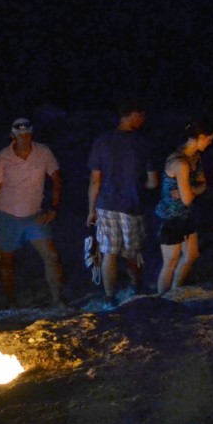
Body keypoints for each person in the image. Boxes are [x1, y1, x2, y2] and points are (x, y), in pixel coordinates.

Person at [85, 102, 158, 306]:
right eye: (141, 115)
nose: (143, 120)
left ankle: (109, 297)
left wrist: (91, 210)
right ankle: (136, 285)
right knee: (132, 251)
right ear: (132, 114)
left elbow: (95, 180)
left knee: (109, 252)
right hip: (131, 205)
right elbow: (153, 182)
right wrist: (139, 183)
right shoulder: (142, 143)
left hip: (105, 204)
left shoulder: (102, 141)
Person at [0, 118, 63, 306]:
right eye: (20, 134)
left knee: (51, 256)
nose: (24, 138)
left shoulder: (43, 152)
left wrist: (53, 208)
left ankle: (57, 300)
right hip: (6, 216)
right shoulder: (3, 156)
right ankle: (10, 303)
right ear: (12, 136)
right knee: (7, 262)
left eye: (28, 134)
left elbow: (56, 179)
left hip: (34, 216)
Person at [154, 121, 213, 295]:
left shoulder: (195, 156)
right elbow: (188, 198)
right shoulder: (180, 162)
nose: (210, 143)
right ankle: (162, 298)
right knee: (171, 261)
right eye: (209, 139)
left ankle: (175, 291)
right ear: (200, 137)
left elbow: (202, 185)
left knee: (191, 254)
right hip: (169, 218)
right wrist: (190, 191)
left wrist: (190, 189)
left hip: (185, 216)